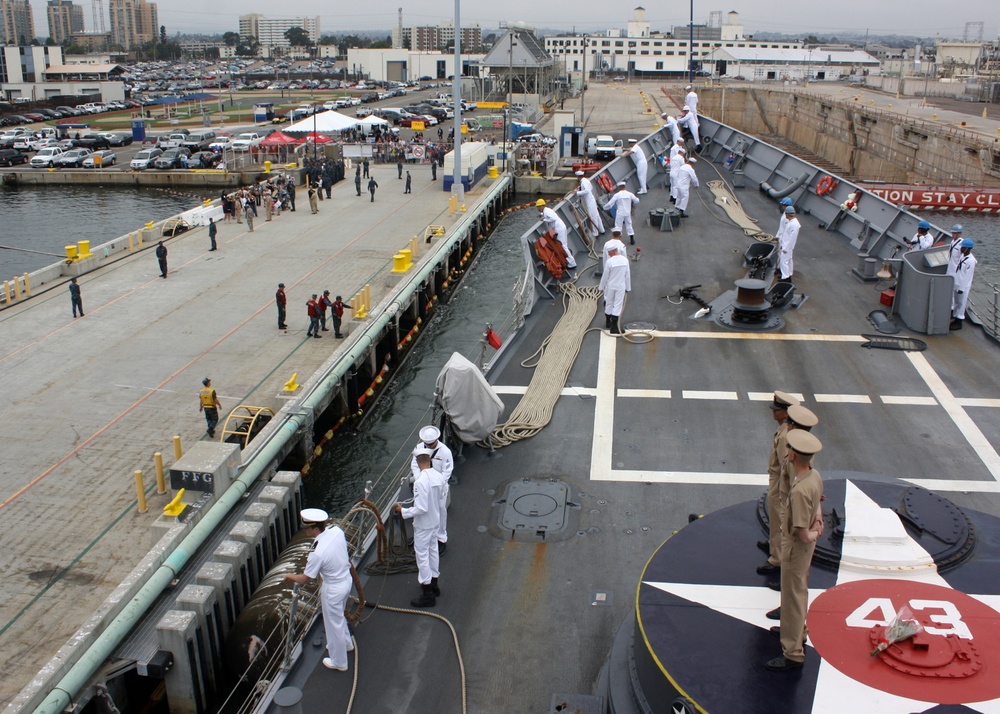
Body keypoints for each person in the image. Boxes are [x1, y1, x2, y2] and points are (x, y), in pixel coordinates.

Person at [766, 429, 824, 671]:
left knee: (792, 598)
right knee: (798, 593)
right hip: (803, 550)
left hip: (796, 547)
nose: (786, 452)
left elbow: (802, 532)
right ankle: (797, 630)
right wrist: (818, 522)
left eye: (789, 449)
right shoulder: (813, 476)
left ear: (793, 455)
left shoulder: (799, 490)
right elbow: (818, 503)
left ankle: (793, 651)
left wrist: (814, 533)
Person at [284, 509, 354, 672]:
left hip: (333, 589)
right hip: (346, 580)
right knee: (339, 617)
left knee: (333, 624)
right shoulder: (336, 531)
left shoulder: (317, 553)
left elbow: (305, 579)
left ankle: (339, 662)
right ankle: (347, 643)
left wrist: (289, 575)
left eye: (307, 528)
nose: (305, 531)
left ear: (315, 529)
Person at [396, 449, 447, 607]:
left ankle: (427, 593)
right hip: (435, 522)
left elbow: (420, 508)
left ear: (418, 462)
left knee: (422, 556)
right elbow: (440, 498)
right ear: (429, 460)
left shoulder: (420, 482)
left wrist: (402, 511)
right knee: (433, 552)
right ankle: (434, 584)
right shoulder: (439, 477)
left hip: (424, 525)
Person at [756, 391, 800, 577]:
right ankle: (774, 543)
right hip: (777, 479)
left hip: (779, 482)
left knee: (777, 517)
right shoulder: (785, 429)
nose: (773, 413)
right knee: (775, 517)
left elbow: (786, 465)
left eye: (777, 410)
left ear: (786, 413)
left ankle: (777, 558)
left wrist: (786, 490)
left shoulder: (784, 436)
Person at [410, 425, 454, 553]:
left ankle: (441, 538)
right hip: (423, 485)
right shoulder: (419, 448)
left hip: (439, 487)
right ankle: (421, 535)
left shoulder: (445, 451)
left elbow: (447, 470)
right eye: (427, 444)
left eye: (431, 444)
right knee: (420, 508)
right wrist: (420, 480)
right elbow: (414, 465)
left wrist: (436, 483)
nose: (428, 446)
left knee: (440, 510)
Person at [599, 245, 631, 334]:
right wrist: (628, 288)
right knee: (617, 305)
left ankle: (608, 322)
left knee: (609, 303)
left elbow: (605, 276)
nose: (609, 255)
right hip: (620, 286)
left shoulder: (609, 262)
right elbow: (627, 275)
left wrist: (601, 287)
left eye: (609, 253)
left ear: (612, 251)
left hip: (610, 286)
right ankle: (614, 327)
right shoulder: (625, 260)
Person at [537, 199, 576, 269]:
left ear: (542, 206)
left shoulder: (546, 212)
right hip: (561, 227)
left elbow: (553, 218)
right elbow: (549, 215)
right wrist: (542, 215)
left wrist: (544, 219)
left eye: (538, 207)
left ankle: (572, 262)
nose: (538, 208)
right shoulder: (547, 210)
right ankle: (568, 260)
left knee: (563, 246)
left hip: (559, 229)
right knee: (563, 245)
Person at [950, 239, 977, 330]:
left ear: (967, 248)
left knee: (961, 303)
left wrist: (962, 288)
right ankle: (955, 316)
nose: (961, 248)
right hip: (957, 282)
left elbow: (968, 276)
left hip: (963, 285)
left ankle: (959, 320)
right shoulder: (963, 256)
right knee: (956, 302)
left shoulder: (971, 261)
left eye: (963, 247)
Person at [603, 182, 640, 246]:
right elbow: (637, 201)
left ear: (619, 187)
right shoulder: (629, 194)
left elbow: (610, 204)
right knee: (629, 224)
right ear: (624, 186)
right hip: (627, 212)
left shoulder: (617, 195)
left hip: (620, 213)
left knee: (618, 226)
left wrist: (604, 207)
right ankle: (632, 239)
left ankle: (618, 240)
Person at [573, 170, 604, 238]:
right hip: (591, 199)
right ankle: (602, 230)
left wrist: (577, 193)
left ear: (578, 177)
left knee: (593, 217)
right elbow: (591, 188)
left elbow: (587, 191)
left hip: (589, 201)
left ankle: (596, 233)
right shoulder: (586, 181)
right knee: (597, 215)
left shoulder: (583, 182)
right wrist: (580, 189)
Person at [778, 206, 800, 281]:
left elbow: (792, 239)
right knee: (789, 260)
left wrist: (785, 248)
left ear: (787, 214)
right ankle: (789, 275)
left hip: (787, 247)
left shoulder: (794, 225)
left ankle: (785, 278)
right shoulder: (791, 222)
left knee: (784, 262)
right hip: (786, 246)